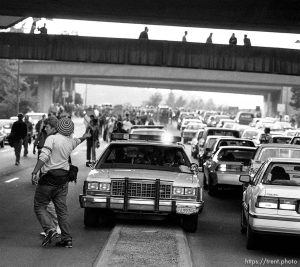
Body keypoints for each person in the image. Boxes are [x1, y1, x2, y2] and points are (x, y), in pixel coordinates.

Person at [31, 117, 90, 248]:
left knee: (39, 205)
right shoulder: (70, 142)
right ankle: (67, 239)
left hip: (48, 179)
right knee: (62, 210)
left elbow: (44, 156)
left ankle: (50, 230)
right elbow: (78, 141)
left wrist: (35, 171)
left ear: (57, 127)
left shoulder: (51, 138)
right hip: (63, 180)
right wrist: (85, 136)